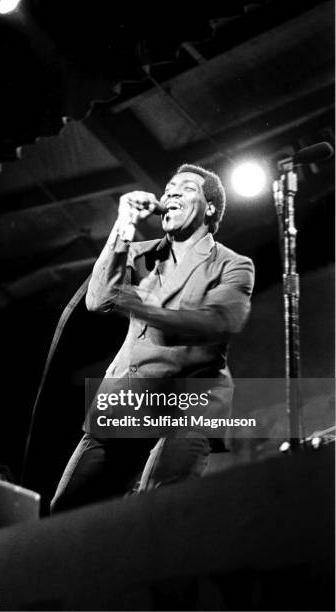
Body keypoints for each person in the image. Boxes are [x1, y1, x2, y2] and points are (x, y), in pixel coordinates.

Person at [50, 163, 254, 513]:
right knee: (65, 515)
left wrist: (142, 305)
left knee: (159, 506)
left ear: (209, 208)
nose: (170, 192)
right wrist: (124, 223)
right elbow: (98, 300)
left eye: (186, 188)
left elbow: (217, 322)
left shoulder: (233, 264)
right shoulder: (139, 252)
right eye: (168, 187)